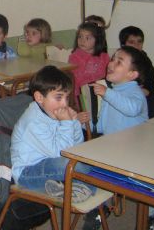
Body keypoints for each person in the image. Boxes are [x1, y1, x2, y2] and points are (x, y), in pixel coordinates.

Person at [83, 46, 152, 230]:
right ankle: (101, 207)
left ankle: (150, 215)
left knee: (146, 188)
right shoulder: (111, 91)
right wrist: (86, 121)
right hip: (112, 149)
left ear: (132, 74)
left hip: (135, 152)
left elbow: (130, 108)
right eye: (112, 59)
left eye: (118, 61)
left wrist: (107, 94)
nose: (111, 63)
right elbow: (104, 124)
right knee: (93, 171)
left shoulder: (135, 94)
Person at [11, 66, 94, 203]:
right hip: (28, 173)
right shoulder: (33, 122)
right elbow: (61, 153)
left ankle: (73, 187)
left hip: (50, 164)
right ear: (39, 97)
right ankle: (81, 187)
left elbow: (77, 146)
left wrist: (74, 123)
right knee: (71, 164)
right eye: (58, 97)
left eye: (66, 98)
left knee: (87, 158)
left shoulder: (51, 111)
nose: (64, 104)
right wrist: (67, 124)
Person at [118, 25, 154, 119]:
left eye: (139, 42)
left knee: (153, 105)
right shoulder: (118, 59)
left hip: (143, 93)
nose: (136, 45)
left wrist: (146, 90)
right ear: (123, 44)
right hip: (124, 94)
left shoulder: (145, 59)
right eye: (132, 42)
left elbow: (152, 80)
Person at [68, 21, 109, 101]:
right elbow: (76, 80)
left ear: (98, 40)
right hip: (81, 95)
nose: (82, 41)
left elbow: (108, 76)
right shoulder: (74, 57)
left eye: (87, 38)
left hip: (101, 93)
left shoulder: (105, 57)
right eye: (80, 37)